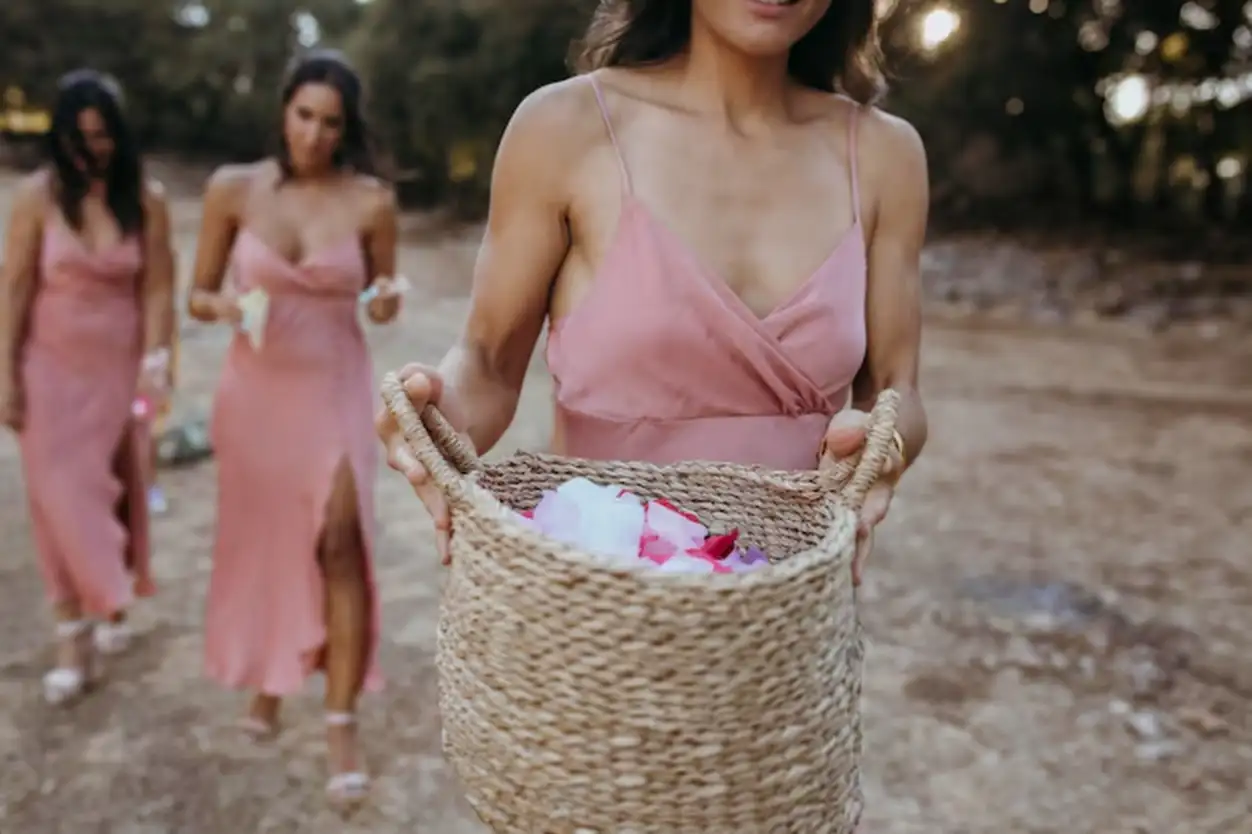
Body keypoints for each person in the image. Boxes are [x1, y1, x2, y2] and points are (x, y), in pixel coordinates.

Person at [377, 0, 928, 576]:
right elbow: (488, 364)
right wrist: (439, 416)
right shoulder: (565, 128)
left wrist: (882, 447)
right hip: (591, 601)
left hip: (791, 609)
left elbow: (897, 390)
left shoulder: (884, 155)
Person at [188, 49, 402, 808]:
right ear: (284, 110)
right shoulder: (232, 189)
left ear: (348, 129)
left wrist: (386, 300)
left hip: (333, 386)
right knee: (272, 543)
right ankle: (273, 679)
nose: (314, 134)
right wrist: (227, 306)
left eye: (331, 123)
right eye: (304, 115)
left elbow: (383, 295)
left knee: (340, 540)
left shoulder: (372, 202)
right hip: (256, 394)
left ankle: (341, 722)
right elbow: (197, 296)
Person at [0, 69, 174, 704]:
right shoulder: (36, 197)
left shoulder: (146, 199)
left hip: (118, 371)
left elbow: (157, 287)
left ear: (118, 137)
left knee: (115, 494)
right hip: (47, 371)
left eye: (101, 137)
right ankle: (73, 638)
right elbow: (15, 286)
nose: (89, 150)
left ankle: (110, 599)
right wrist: (5, 375)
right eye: (78, 137)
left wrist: (157, 358)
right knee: (58, 502)